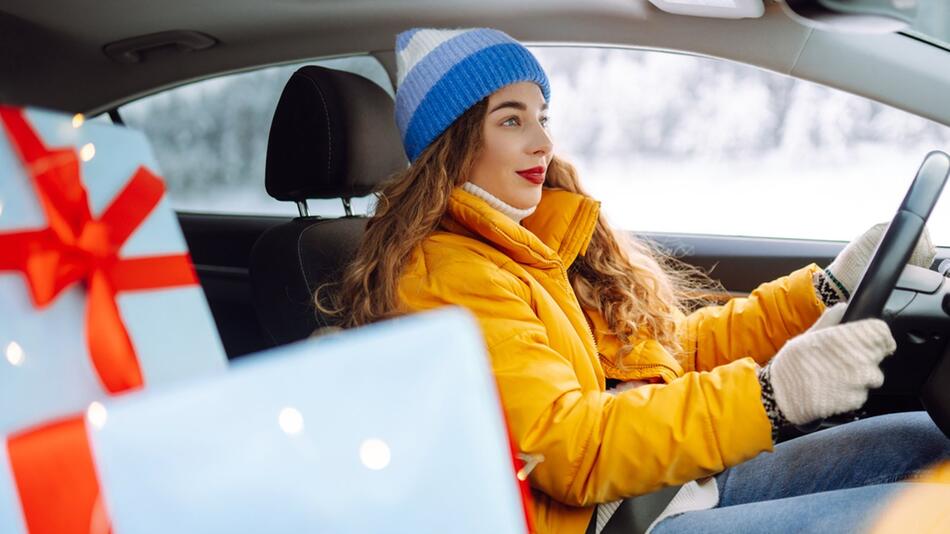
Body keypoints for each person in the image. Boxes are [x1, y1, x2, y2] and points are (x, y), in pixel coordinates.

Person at [321, 28, 950, 534]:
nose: (543, 141)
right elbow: (571, 449)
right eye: (511, 120)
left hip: (661, 488)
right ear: (450, 144)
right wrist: (770, 396)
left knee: (923, 447)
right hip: (616, 519)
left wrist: (825, 290)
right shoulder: (444, 276)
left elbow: (670, 350)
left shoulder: (531, 245)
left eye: (542, 116)